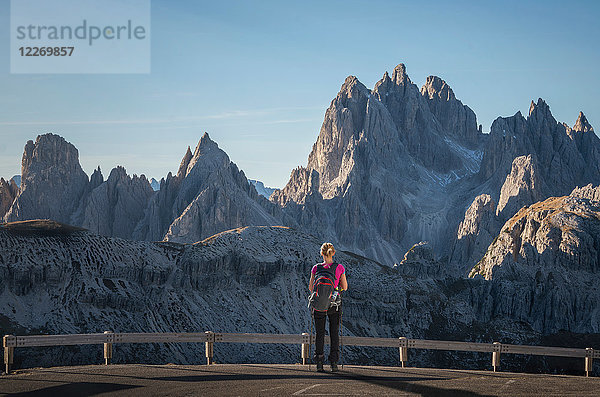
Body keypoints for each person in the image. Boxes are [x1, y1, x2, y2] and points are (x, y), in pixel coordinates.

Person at [308, 242, 348, 372]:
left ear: (321, 253)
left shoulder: (316, 268)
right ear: (333, 253)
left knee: (319, 333)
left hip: (319, 304)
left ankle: (319, 363)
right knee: (334, 333)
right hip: (334, 304)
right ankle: (334, 363)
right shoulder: (339, 267)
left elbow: (311, 288)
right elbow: (345, 287)